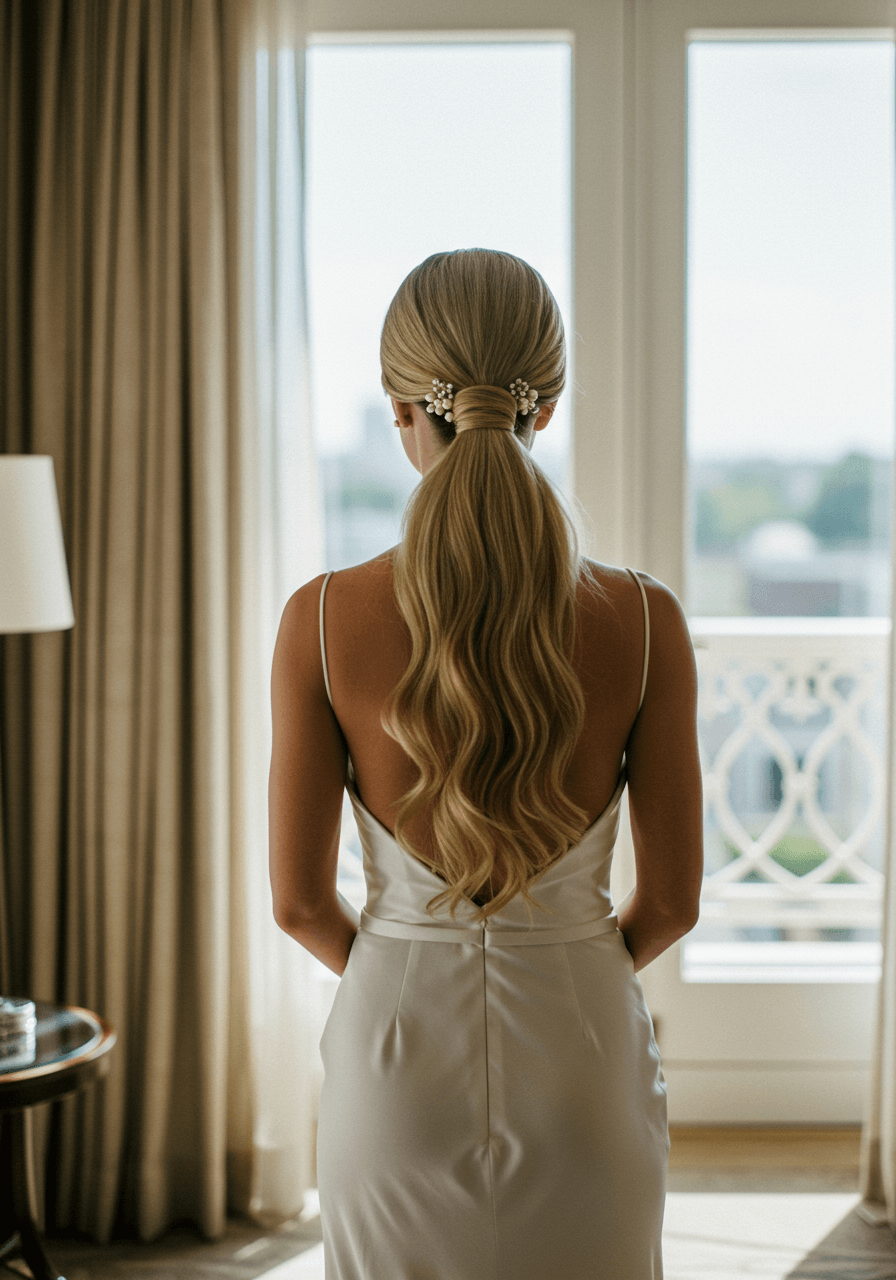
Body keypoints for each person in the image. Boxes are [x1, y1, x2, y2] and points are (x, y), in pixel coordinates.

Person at [269, 248, 703, 1279]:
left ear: (398, 408)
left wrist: (399, 960)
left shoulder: (321, 618)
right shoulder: (644, 619)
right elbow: (674, 899)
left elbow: (296, 902)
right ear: (541, 408)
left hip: (392, 1060)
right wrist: (567, 952)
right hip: (584, 1053)